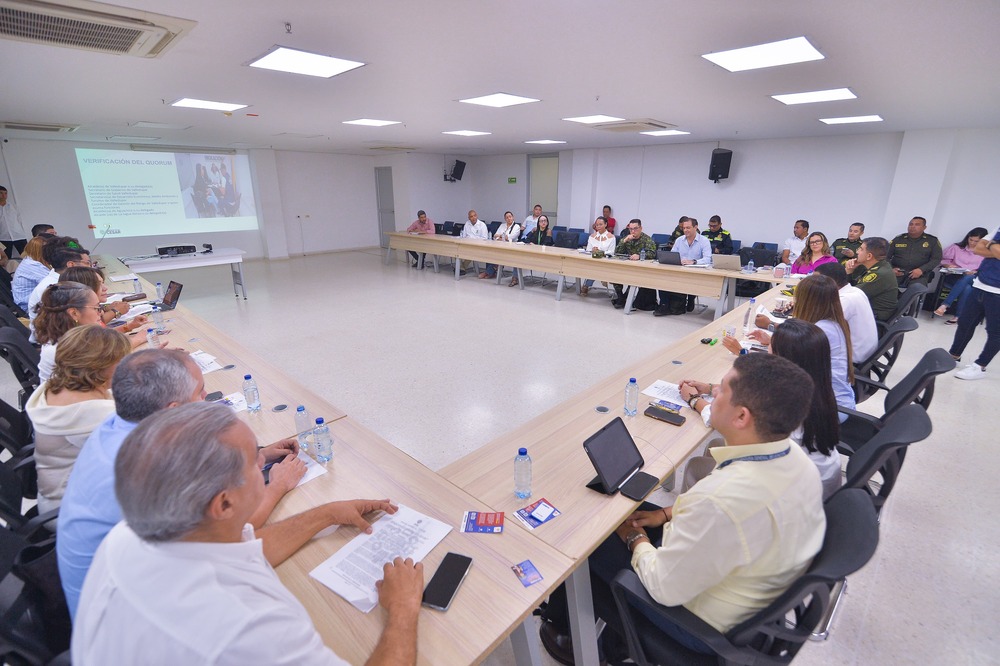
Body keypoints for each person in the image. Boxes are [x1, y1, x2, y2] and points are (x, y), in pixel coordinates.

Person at [72, 401, 423, 665]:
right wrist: (403, 608)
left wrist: (327, 513)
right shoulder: (245, 627)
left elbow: (246, 546)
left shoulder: (130, 534)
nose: (263, 463)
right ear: (224, 505)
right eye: (254, 461)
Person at [540, 354, 825, 662]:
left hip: (698, 627)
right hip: (748, 586)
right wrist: (664, 514)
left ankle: (567, 636)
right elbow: (715, 513)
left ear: (742, 417)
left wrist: (636, 540)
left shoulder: (720, 501)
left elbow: (663, 587)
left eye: (722, 390)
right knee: (630, 510)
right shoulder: (794, 459)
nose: (712, 393)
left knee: (582, 540)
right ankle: (607, 634)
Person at [57, 349, 308, 618]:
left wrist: (250, 457)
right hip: (132, 614)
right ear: (173, 411)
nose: (208, 401)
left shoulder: (123, 426)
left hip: (114, 593)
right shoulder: (150, 467)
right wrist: (277, 485)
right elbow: (230, 529)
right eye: (200, 393)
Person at [680, 320, 843, 499]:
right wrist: (711, 388)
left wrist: (694, 400)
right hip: (810, 490)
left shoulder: (781, 411)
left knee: (695, 465)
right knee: (714, 446)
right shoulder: (817, 392)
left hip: (783, 501)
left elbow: (723, 417)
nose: (766, 354)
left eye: (770, 350)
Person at [25, 325, 130, 514]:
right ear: (99, 366)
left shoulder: (58, 386)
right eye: (121, 360)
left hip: (57, 493)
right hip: (74, 509)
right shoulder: (91, 415)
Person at [748, 274, 855, 413]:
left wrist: (742, 352)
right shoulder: (832, 322)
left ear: (806, 301)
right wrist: (772, 341)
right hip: (834, 400)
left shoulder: (821, 329)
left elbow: (781, 369)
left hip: (824, 410)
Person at [949, 226, 1000, 380]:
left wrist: (990, 244)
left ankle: (980, 366)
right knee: (965, 323)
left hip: (998, 292)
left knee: (995, 332)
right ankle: (954, 355)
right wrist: (994, 248)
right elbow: (978, 249)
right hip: (980, 284)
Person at [34, 282, 105, 382]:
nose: (100, 312)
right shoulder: (63, 350)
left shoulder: (71, 336)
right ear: (74, 313)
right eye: (96, 308)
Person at [58, 267, 150, 342]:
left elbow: (102, 337)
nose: (100, 312)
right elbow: (107, 354)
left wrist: (129, 326)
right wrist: (138, 339)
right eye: (95, 308)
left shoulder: (73, 322)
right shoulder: (72, 335)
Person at [813, 261, 879, 360]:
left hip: (853, 355)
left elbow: (818, 327)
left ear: (831, 282)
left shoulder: (845, 300)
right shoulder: (855, 291)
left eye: (816, 280)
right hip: (864, 350)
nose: (813, 284)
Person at [27, 236, 91, 334]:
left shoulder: (59, 278)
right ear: (71, 264)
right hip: (54, 337)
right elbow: (72, 321)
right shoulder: (55, 287)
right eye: (87, 263)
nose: (90, 268)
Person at [655, 218, 712, 316]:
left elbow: (708, 259)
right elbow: (672, 255)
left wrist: (694, 261)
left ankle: (691, 297)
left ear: (695, 227)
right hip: (679, 270)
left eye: (688, 228)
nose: (685, 230)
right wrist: (676, 260)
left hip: (695, 272)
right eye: (684, 228)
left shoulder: (704, 241)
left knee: (677, 309)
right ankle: (664, 305)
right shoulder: (679, 240)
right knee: (663, 277)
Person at [934, 226, 988, 321]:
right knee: (966, 287)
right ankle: (958, 317)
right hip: (954, 277)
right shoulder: (956, 248)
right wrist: (948, 265)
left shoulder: (986, 253)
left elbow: (987, 269)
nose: (972, 243)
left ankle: (944, 305)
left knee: (968, 278)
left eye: (976, 241)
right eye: (970, 239)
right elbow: (943, 260)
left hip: (974, 279)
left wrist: (976, 272)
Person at [845, 237, 899, 322]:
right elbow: (854, 289)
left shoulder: (879, 274)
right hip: (868, 311)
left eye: (861, 249)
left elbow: (850, 296)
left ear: (869, 256)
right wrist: (849, 271)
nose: (857, 252)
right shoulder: (881, 266)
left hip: (873, 319)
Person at [610, 219, 658, 310]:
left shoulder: (647, 240)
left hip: (641, 268)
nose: (633, 231)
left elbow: (652, 254)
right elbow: (617, 252)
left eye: (635, 228)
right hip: (627, 265)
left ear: (641, 228)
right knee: (615, 274)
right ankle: (621, 297)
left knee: (632, 279)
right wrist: (624, 241)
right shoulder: (627, 238)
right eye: (630, 229)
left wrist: (639, 256)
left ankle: (625, 298)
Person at [887, 216, 942, 286]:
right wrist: (891, 269)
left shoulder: (932, 241)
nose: (912, 226)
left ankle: (905, 297)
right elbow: (885, 256)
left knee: (916, 288)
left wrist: (921, 269)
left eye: (917, 225)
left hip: (920, 274)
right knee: (885, 285)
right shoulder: (898, 239)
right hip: (898, 272)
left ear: (924, 227)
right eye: (911, 224)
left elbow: (936, 259)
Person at [11, 235, 50, 312]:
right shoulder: (33, 266)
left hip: (32, 303)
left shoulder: (30, 261)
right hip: (29, 307)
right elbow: (54, 283)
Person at [580, 216, 616, 296]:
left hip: (605, 260)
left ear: (606, 224)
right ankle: (599, 280)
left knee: (596, 267)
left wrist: (601, 252)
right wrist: (592, 250)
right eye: (597, 225)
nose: (598, 226)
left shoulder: (611, 237)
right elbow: (588, 250)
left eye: (600, 224)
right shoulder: (592, 236)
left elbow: (611, 252)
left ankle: (587, 284)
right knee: (594, 266)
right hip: (593, 260)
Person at [482, 211, 520, 281]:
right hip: (501, 246)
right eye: (507, 217)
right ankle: (490, 272)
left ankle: (489, 272)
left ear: (513, 217)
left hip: (512, 248)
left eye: (510, 217)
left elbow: (511, 237)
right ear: (505, 219)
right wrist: (502, 237)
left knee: (502, 256)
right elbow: (495, 236)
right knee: (491, 253)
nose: (509, 219)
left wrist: (502, 237)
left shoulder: (517, 226)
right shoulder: (502, 225)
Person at [458, 209, 489, 275]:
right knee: (456, 251)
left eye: (475, 216)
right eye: (471, 216)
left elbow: (484, 238)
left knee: (471, 252)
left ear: (477, 216)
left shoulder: (482, 225)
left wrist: (472, 238)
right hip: (467, 244)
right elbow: (464, 236)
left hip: (479, 246)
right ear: (469, 218)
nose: (473, 218)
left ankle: (461, 268)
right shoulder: (467, 223)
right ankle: (461, 268)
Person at [0, 185, 28, 257]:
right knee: (5, 259)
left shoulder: (13, 206)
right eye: (1, 193)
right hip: (3, 237)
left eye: (5, 193)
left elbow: (19, 220)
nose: (4, 196)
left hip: (19, 235)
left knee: (28, 257)